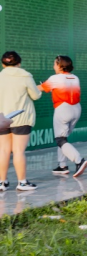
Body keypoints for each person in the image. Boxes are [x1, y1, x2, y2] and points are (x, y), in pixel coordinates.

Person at [38, 55, 87, 178]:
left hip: (63, 109)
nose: (53, 66)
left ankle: (79, 160)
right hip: (76, 109)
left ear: (60, 66)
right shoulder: (75, 77)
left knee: (60, 140)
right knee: (63, 138)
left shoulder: (55, 78)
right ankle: (62, 166)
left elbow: (39, 88)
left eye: (54, 64)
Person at [0, 51, 42, 191]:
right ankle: (22, 182)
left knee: (4, 150)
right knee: (18, 151)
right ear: (19, 63)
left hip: (2, 118)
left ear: (3, 64)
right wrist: (39, 89)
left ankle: (2, 182)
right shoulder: (25, 76)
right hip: (21, 118)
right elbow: (35, 96)